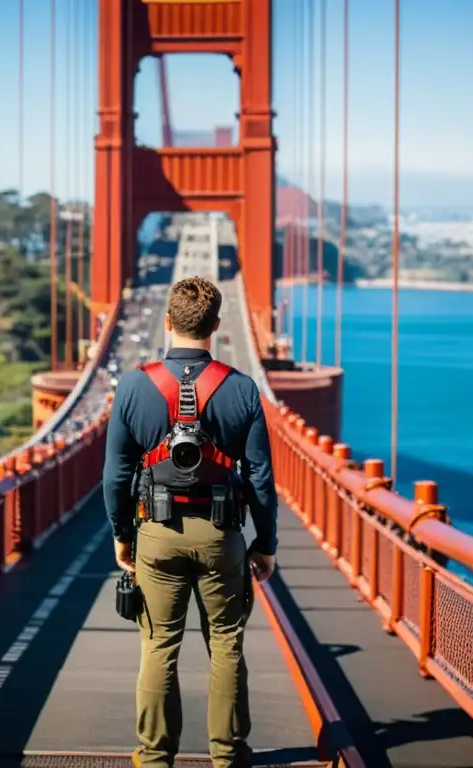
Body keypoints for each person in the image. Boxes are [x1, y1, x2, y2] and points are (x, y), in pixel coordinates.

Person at [103, 276, 278, 768]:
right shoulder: (241, 390)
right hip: (223, 535)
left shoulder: (135, 386)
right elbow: (261, 477)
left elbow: (115, 474)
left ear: (168, 321)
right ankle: (227, 756)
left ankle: (155, 758)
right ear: (217, 326)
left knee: (159, 644)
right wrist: (265, 542)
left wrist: (121, 535)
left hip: (156, 535)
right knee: (226, 644)